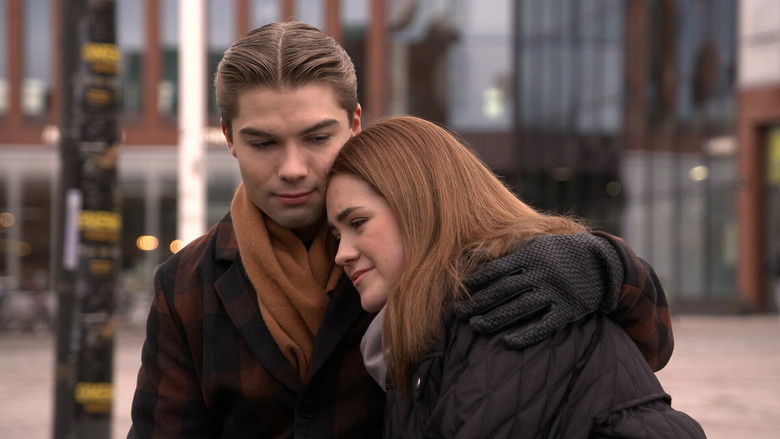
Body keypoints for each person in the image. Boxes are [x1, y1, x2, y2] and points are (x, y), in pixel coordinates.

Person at [129, 22, 674, 438]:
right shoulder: (187, 284)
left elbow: (640, 354)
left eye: (317, 138)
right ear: (228, 137)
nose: (293, 168)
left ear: (355, 123)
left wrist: (605, 267)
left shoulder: (426, 245)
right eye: (264, 143)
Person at [326, 115, 705, 438]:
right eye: (337, 235)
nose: (343, 254)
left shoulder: (509, 301)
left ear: (419, 206)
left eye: (357, 222)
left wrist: (609, 264)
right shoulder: (420, 330)